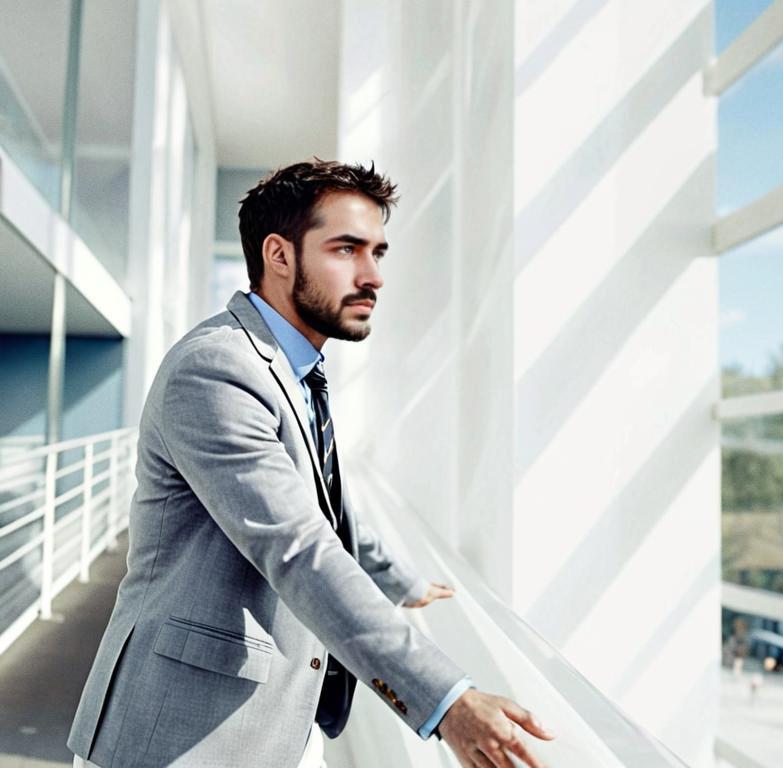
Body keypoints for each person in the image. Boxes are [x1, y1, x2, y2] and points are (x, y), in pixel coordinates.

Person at [67, 160, 555, 767]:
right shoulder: (216, 369)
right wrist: (448, 702)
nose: (373, 275)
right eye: (346, 249)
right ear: (279, 255)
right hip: (181, 732)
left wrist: (397, 578)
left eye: (378, 252)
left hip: (281, 719)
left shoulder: (292, 369)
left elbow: (324, 497)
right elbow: (298, 547)